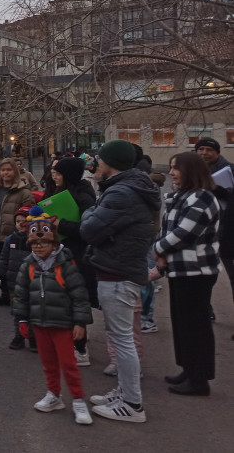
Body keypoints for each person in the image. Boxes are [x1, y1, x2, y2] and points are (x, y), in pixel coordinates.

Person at [80, 139, 160, 424]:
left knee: (123, 339)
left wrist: (92, 214)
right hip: (119, 268)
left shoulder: (121, 194)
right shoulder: (129, 188)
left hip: (118, 272)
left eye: (100, 160)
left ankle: (132, 403)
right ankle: (125, 392)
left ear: (110, 163)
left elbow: (88, 228)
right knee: (119, 336)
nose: (96, 164)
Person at [12, 206, 94, 425]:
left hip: (63, 324)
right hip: (39, 323)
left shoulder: (66, 265)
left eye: (44, 242)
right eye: (35, 243)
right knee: (48, 363)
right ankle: (54, 395)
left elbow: (79, 295)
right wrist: (22, 319)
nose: (39, 246)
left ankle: (78, 400)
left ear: (54, 243)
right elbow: (20, 295)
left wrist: (80, 322)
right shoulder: (28, 265)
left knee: (68, 364)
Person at [153, 152, 220, 396]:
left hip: (196, 271)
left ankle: (199, 378)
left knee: (196, 326)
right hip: (182, 270)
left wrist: (158, 249)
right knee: (183, 325)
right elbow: (167, 227)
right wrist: (161, 251)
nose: (171, 173)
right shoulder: (184, 196)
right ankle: (189, 369)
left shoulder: (202, 197)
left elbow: (185, 233)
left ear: (190, 170)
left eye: (175, 168)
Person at [46, 156, 97, 365]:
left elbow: (88, 231)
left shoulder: (84, 197)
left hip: (78, 256)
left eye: (59, 173)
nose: (54, 175)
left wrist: (61, 224)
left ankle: (80, 350)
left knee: (76, 301)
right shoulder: (63, 192)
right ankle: (75, 340)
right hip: (64, 253)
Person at [0, 158, 36, 306]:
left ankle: (19, 296)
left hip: (14, 236)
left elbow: (30, 213)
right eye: (3, 170)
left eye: (9, 170)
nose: (5, 173)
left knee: (15, 267)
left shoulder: (23, 191)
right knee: (0, 267)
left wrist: (22, 228)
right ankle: (5, 294)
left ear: (15, 171)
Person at [194, 137, 234, 320]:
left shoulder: (230, 170)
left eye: (208, 149)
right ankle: (205, 310)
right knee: (203, 274)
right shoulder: (193, 171)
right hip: (203, 231)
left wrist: (215, 188)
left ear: (217, 152)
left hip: (227, 231)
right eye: (200, 149)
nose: (203, 153)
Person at [0, 206, 34, 350]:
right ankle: (19, 335)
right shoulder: (10, 239)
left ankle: (33, 337)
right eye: (18, 221)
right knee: (17, 311)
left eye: (24, 221)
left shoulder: (34, 240)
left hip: (31, 283)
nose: (20, 224)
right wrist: (1, 275)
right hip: (14, 282)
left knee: (32, 311)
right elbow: (4, 258)